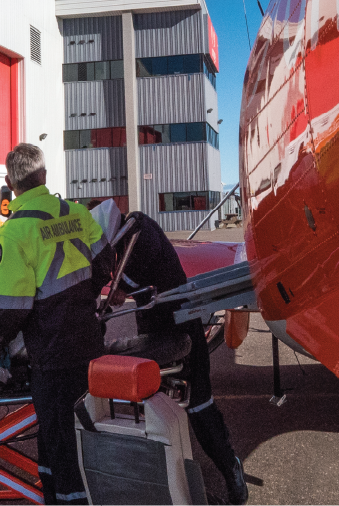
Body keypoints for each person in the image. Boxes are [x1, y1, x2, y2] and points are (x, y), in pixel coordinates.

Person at [0, 143, 114, 506]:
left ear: (10, 182)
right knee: (82, 434)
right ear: (44, 176)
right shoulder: (77, 213)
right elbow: (106, 263)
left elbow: (10, 309)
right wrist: (81, 300)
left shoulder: (12, 234)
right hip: (89, 344)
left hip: (51, 356)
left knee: (60, 445)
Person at [101, 202, 249, 505]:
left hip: (181, 330)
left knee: (198, 406)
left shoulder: (138, 234)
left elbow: (116, 294)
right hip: (156, 331)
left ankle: (230, 468)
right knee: (158, 407)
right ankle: (170, 480)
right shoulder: (132, 233)